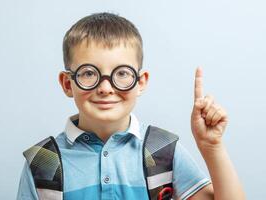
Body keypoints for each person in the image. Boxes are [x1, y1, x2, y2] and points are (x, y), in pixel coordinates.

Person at [17, 12, 245, 200]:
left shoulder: (161, 149)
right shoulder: (43, 162)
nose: (105, 88)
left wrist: (211, 147)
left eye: (122, 73)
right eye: (89, 73)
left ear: (141, 82)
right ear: (68, 83)